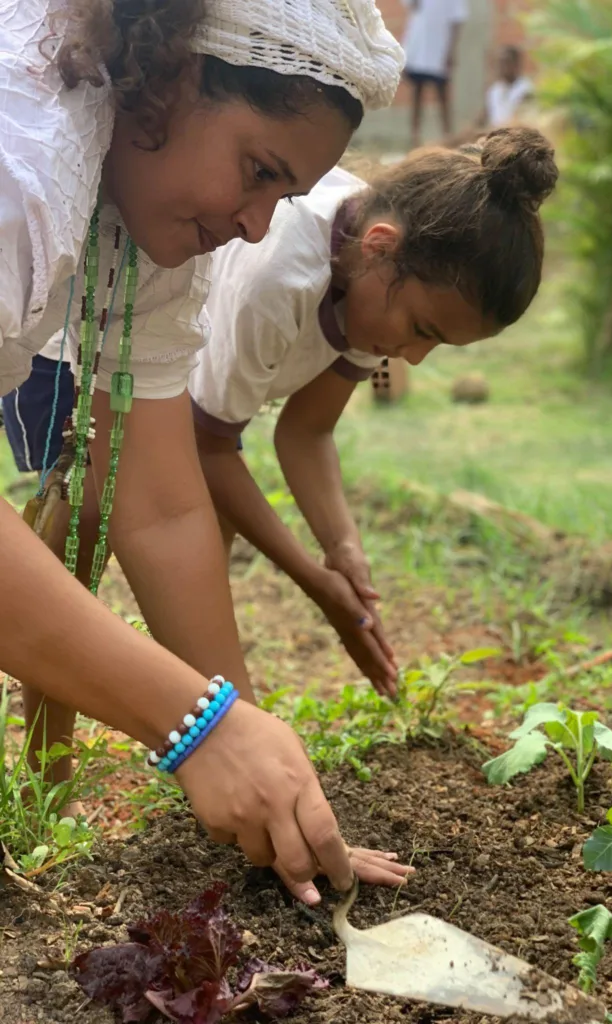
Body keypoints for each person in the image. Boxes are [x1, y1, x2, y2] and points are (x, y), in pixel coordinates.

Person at [0, 0, 407, 906]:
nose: (259, 228)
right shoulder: (18, 168)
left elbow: (166, 506)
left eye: (284, 197)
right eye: (258, 171)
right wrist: (199, 727)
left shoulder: (149, 214)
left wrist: (265, 769)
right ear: (171, 77)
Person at [188, 128, 559, 672]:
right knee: (76, 536)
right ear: (380, 248)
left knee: (203, 548)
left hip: (197, 401)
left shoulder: (370, 278)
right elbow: (207, 447)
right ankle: (47, 747)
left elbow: (307, 430)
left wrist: (342, 547)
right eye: (421, 330)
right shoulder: (281, 277)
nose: (413, 358)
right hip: (91, 352)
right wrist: (315, 584)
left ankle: (210, 713)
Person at [401, 0, 467, 147]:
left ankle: (448, 137)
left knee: (442, 95)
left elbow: (457, 21)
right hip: (418, 47)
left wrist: (451, 50)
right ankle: (415, 138)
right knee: (417, 93)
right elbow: (411, 7)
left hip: (439, 48)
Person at [483, 46, 534, 130]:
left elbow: (521, 120)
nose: (502, 67)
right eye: (500, 63)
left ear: (516, 64)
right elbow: (489, 116)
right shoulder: (494, 90)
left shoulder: (526, 89)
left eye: (506, 62)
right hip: (496, 137)